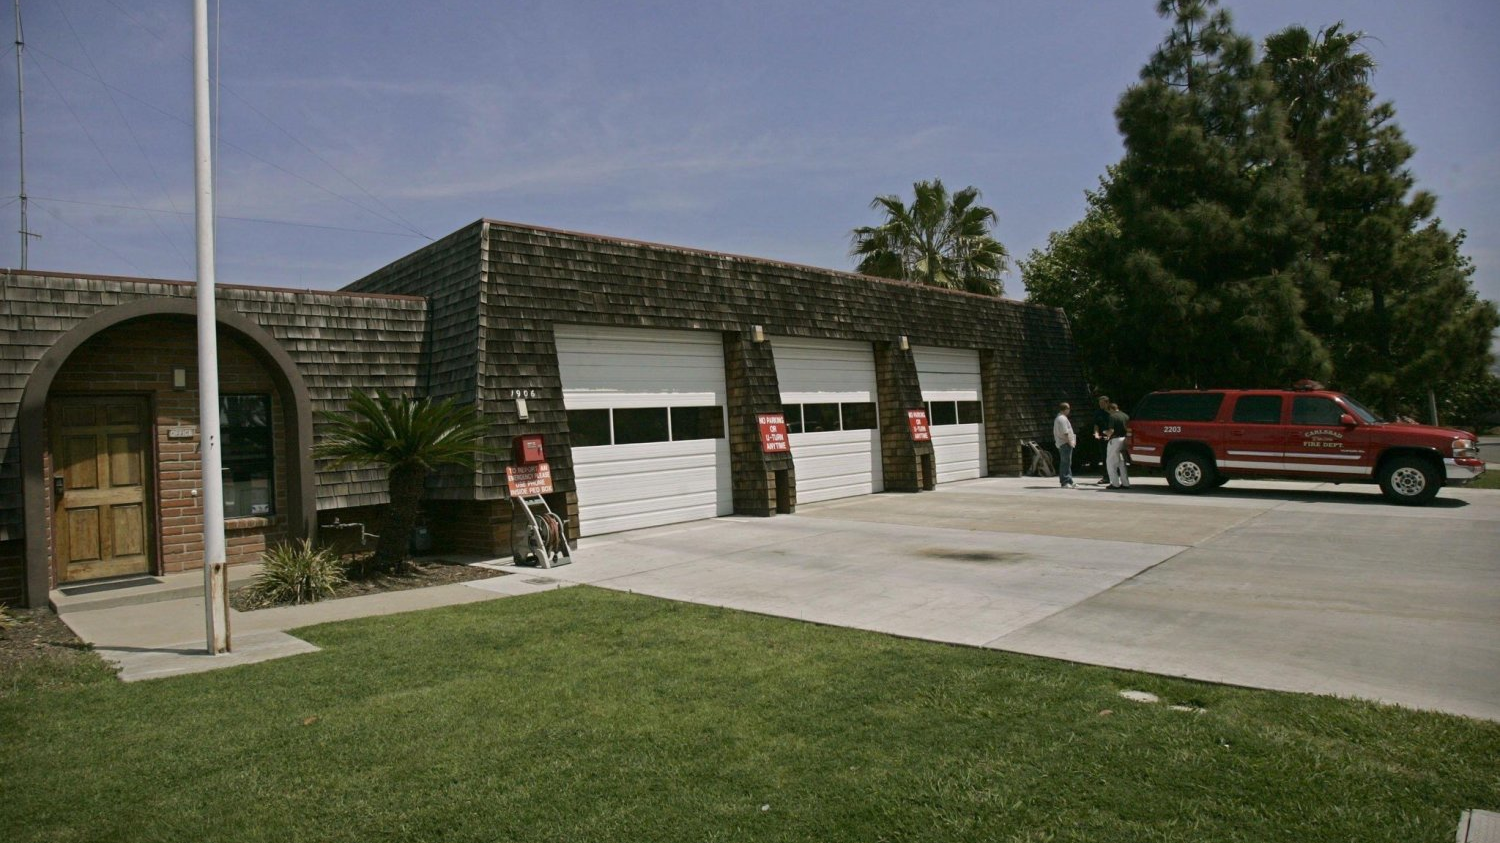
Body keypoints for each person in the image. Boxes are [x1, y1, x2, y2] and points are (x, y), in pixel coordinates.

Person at [1106, 401, 1131, 489]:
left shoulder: (1112, 416)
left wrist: (1107, 434)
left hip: (1115, 440)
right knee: (1122, 462)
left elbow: (1112, 430)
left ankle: (1115, 483)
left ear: (1111, 409)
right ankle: (1125, 483)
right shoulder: (1125, 416)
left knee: (1110, 462)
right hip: (1125, 439)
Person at [1053, 402, 1077, 488]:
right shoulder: (1062, 418)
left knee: (1067, 462)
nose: (1069, 410)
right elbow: (1065, 432)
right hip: (1065, 443)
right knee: (1065, 462)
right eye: (1068, 409)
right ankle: (1065, 481)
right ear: (1065, 409)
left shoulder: (1060, 418)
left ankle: (1069, 480)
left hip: (1065, 443)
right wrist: (1070, 442)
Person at [1091, 395, 1112, 484]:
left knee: (1113, 458)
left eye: (1102, 403)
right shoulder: (1098, 413)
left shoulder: (1112, 412)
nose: (1101, 405)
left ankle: (1114, 476)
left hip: (1112, 437)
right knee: (1104, 457)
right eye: (1100, 403)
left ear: (1107, 403)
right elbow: (1096, 425)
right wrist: (1096, 434)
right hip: (1102, 437)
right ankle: (1106, 476)